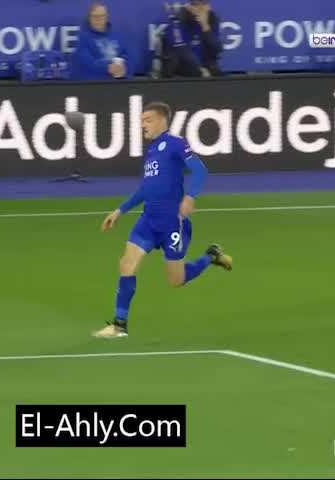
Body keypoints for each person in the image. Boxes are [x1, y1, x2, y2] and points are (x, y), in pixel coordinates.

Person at [93, 102, 233, 339]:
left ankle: (211, 256)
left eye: (147, 120)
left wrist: (190, 196)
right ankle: (119, 325)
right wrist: (120, 210)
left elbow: (199, 169)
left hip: (172, 224)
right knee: (126, 264)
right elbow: (145, 189)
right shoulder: (151, 152)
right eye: (141, 120)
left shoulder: (175, 144)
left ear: (162, 121)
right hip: (148, 221)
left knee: (175, 281)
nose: (142, 125)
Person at [70, 2, 133, 81]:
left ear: (106, 17)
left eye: (102, 16)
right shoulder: (83, 38)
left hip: (117, 82)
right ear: (89, 18)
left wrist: (124, 68)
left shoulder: (118, 35)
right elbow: (86, 62)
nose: (98, 19)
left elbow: (128, 57)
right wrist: (108, 67)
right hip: (93, 84)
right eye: (95, 16)